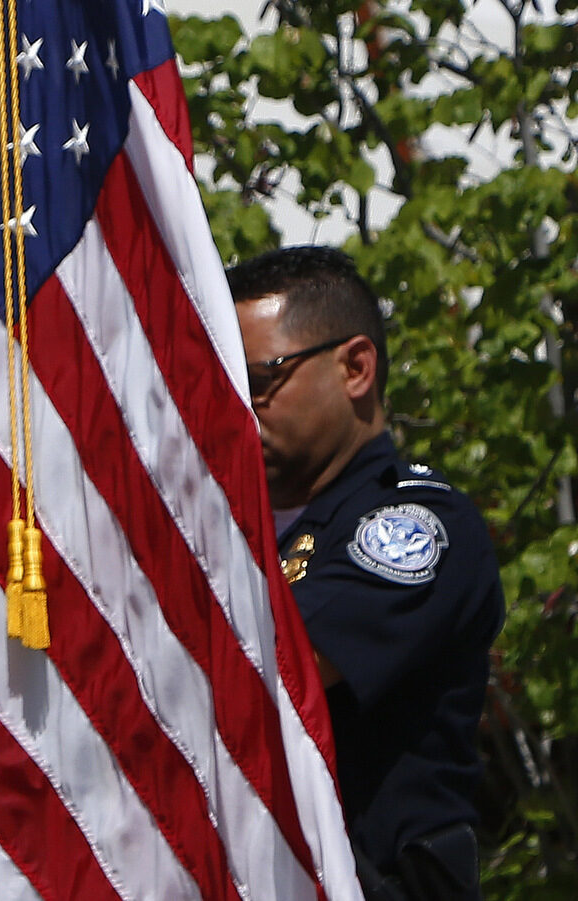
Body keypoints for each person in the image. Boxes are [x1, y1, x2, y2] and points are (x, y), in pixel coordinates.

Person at [228, 246, 503, 900]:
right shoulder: (243, 526)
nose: (240, 406)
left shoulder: (413, 521)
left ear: (355, 367)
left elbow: (267, 671)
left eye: (262, 378)